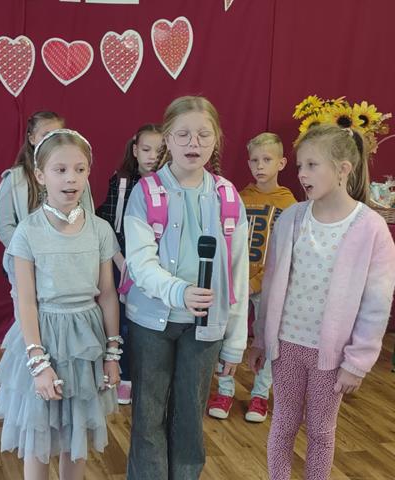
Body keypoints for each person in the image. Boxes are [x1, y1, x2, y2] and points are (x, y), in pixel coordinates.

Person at [248, 124, 395, 479]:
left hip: (331, 356)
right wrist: (261, 338)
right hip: (287, 346)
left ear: (343, 169)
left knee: (320, 431)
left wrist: (357, 362)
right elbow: (271, 283)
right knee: (282, 424)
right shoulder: (292, 219)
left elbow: (376, 304)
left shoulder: (371, 228)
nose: (302, 174)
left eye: (312, 165)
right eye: (300, 165)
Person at [124, 96, 249, 479]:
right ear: (167, 139)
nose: (193, 143)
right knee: (148, 414)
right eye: (183, 134)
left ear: (216, 139)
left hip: (206, 328)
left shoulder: (228, 196)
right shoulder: (145, 192)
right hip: (151, 323)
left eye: (203, 135)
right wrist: (178, 292)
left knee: (190, 415)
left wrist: (235, 340)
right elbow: (140, 263)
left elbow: (238, 275)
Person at [0, 129, 121, 480]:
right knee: (40, 433)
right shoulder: (28, 232)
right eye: (60, 170)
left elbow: (107, 294)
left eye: (80, 170)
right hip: (43, 335)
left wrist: (112, 352)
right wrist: (38, 361)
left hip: (86, 340)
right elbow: (26, 300)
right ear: (40, 175)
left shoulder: (100, 230)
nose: (71, 179)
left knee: (75, 433)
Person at [208, 132, 296, 422]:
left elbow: (285, 253)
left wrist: (258, 280)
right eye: (255, 160)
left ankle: (260, 394)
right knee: (226, 334)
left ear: (281, 163)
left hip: (267, 284)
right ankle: (225, 390)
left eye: (267, 159)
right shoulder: (239, 198)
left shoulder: (290, 205)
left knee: (268, 338)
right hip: (237, 282)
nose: (260, 166)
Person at [96, 123, 162, 404]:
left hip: (156, 264)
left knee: (151, 321)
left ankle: (149, 376)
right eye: (146, 149)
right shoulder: (122, 180)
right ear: (135, 150)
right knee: (122, 319)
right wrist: (120, 261)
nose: (152, 157)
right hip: (122, 261)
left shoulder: (169, 184)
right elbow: (108, 224)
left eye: (159, 151)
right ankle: (123, 375)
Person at [0, 111, 94, 248]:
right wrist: (32, 251)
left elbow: (88, 217)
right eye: (46, 135)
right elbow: (5, 227)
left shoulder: (76, 177)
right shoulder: (15, 179)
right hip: (29, 256)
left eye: (57, 135)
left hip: (69, 253)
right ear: (32, 139)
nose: (51, 141)